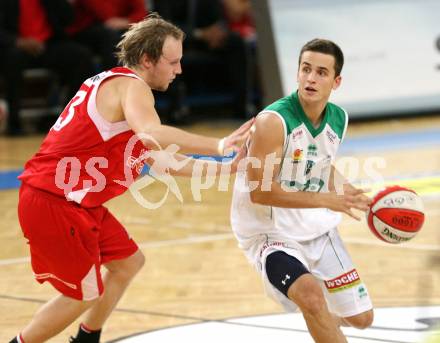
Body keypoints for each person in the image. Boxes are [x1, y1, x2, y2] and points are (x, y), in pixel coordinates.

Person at [9, 14, 252, 343]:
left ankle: (87, 337)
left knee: (127, 263)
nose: (179, 70)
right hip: (54, 200)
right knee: (84, 294)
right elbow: (153, 135)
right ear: (148, 59)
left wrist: (228, 167)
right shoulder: (131, 86)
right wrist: (219, 145)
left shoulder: (118, 89)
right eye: (173, 62)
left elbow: (165, 162)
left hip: (77, 201)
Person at [230, 38, 374, 343]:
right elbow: (261, 192)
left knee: (361, 319)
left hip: (316, 229)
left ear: (336, 82)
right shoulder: (273, 121)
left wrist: (351, 194)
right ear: (297, 73)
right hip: (269, 231)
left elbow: (319, 165)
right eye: (306, 69)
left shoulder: (339, 118)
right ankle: (316, 310)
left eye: (321, 72)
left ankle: (320, 316)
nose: (311, 78)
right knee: (311, 297)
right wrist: (327, 200)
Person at [0, 0, 94, 136]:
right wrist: (18, 42)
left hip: (47, 45)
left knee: (81, 56)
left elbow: (69, 19)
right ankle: (14, 124)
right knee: (12, 59)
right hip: (15, 47)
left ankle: (70, 120)